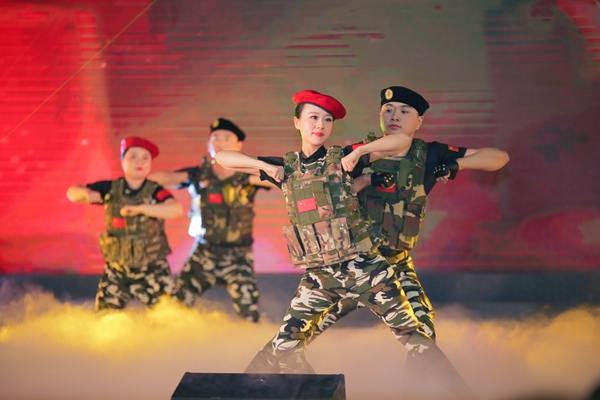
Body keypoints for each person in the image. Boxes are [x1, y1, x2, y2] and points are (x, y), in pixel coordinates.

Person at [215, 90, 476, 399]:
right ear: (297, 122)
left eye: (327, 120)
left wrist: (359, 152)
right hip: (320, 276)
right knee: (284, 346)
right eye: (313, 117)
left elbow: (400, 142)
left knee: (416, 338)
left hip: (365, 268)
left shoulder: (343, 158)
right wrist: (265, 167)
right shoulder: (287, 167)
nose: (320, 125)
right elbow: (223, 159)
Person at [312, 86, 510, 341]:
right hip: (353, 262)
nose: (395, 116)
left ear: (419, 121)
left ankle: (422, 368)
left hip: (395, 261)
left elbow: (498, 158)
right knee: (305, 325)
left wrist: (456, 164)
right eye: (388, 110)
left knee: (421, 324)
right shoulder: (360, 152)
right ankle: (276, 362)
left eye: (405, 111)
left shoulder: (428, 154)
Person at [149, 118, 274, 322]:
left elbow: (280, 180)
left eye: (227, 138)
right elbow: (162, 179)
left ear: (239, 145)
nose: (220, 143)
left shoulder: (247, 176)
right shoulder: (199, 175)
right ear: (208, 144)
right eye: (215, 138)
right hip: (204, 253)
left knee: (249, 314)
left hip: (238, 256)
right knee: (175, 307)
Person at [66, 137, 184, 311]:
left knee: (172, 316)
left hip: (152, 270)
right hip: (117, 270)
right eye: (132, 157)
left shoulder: (155, 191)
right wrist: (87, 193)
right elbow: (72, 193)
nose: (139, 162)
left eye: (145, 158)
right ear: (122, 161)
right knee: (106, 319)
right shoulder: (111, 189)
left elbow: (175, 210)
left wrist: (141, 209)